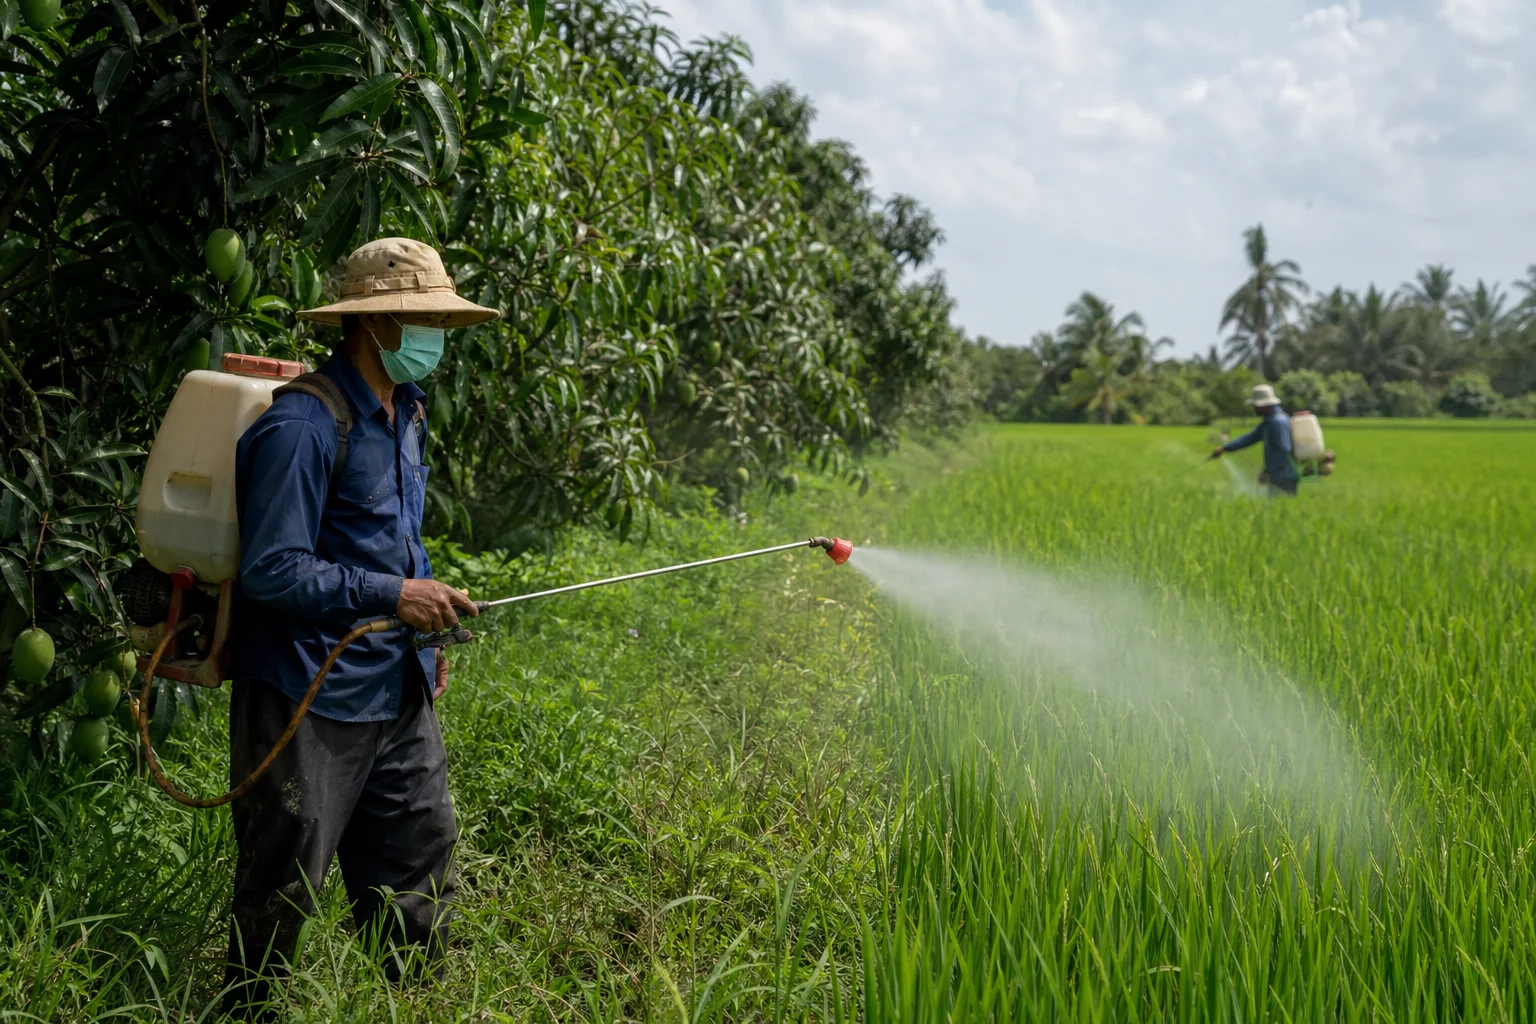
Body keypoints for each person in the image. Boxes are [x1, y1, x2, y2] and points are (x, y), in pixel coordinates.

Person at [223, 238, 499, 1016]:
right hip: (307, 696)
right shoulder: (306, 426)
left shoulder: (405, 413)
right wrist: (392, 595)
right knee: (282, 891)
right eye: (423, 320)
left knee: (420, 866)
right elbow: (272, 569)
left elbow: (396, 541)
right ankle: (250, 1009)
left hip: (395, 688)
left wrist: (424, 627)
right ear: (374, 322)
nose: (435, 338)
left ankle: (410, 1006)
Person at [1209, 383, 1299, 496]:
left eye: (1256, 405)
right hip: (1279, 475)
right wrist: (1225, 448)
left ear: (1264, 405)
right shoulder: (1269, 421)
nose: (1254, 408)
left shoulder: (1277, 422)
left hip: (1285, 477)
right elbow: (1250, 438)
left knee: (1283, 509)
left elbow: (1283, 449)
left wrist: (1268, 472)